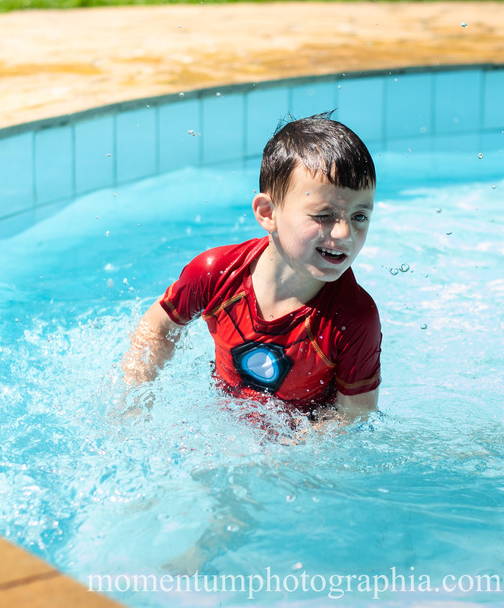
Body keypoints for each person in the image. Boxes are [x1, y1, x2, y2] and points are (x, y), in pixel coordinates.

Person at [120, 112, 381, 422]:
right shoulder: (216, 272)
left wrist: (294, 454)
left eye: (359, 217)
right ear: (267, 213)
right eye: (324, 216)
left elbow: (354, 416)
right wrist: (135, 403)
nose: (344, 234)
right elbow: (157, 331)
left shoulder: (353, 319)